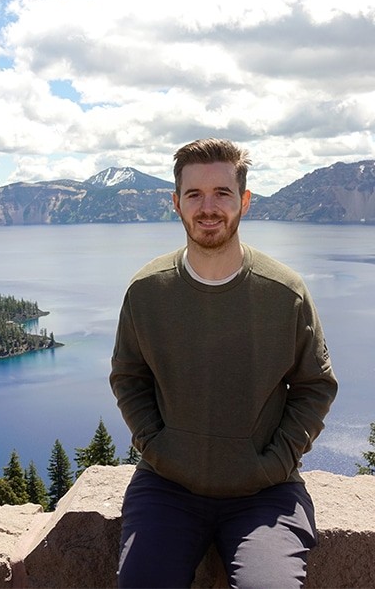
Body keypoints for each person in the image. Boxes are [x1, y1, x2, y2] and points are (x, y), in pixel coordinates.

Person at [109, 138, 338, 588]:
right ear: (176, 203)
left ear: (244, 202)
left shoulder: (284, 292)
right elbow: (129, 377)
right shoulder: (147, 292)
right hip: (167, 488)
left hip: (266, 494)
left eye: (222, 194)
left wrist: (274, 464)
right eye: (194, 194)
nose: (207, 207)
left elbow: (315, 386)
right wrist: (157, 448)